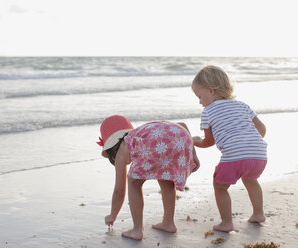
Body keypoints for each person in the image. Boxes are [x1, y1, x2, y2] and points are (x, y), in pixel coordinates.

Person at [97, 115, 200, 240]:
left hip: (162, 142)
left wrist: (112, 215)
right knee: (165, 177)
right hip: (180, 136)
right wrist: (193, 154)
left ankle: (137, 229)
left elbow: (119, 191)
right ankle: (168, 223)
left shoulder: (122, 150)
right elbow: (182, 125)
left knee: (134, 182)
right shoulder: (141, 133)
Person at [191, 65, 267, 232]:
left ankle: (226, 222)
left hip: (234, 157)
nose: (199, 101)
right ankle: (258, 213)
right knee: (250, 180)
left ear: (211, 91)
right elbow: (262, 130)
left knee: (220, 186)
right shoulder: (242, 105)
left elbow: (208, 142)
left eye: (199, 96)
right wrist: (247, 142)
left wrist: (195, 141)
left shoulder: (208, 111)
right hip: (259, 155)